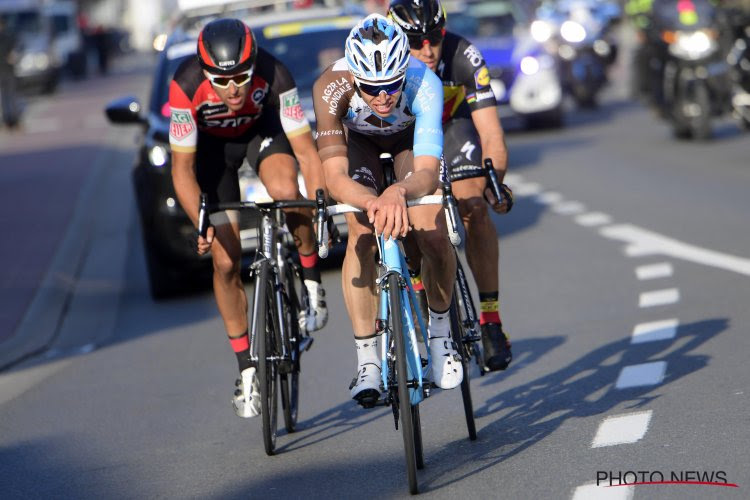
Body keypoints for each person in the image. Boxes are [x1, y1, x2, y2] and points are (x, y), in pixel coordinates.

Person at [169, 18, 328, 418]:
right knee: (224, 261)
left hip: (264, 134)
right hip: (210, 153)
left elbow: (307, 153)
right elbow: (182, 171)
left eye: (241, 77)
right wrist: (201, 222)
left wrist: (320, 202)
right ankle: (247, 369)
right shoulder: (186, 84)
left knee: (287, 193)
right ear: (205, 73)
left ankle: (310, 281)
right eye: (221, 81)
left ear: (253, 64)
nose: (233, 89)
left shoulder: (275, 74)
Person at [312, 14, 460, 407]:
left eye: (391, 86)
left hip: (410, 142)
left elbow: (427, 173)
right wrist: (371, 201)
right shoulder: (330, 86)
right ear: (354, 77)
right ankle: (368, 362)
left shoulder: (423, 83)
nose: (383, 97)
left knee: (429, 228)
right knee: (361, 235)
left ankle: (442, 335)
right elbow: (335, 175)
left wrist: (397, 190)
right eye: (372, 88)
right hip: (358, 143)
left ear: (403, 72)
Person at [388, 0, 513, 372]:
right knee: (413, 223)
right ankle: (425, 296)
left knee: (474, 206)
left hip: (453, 128)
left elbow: (491, 133)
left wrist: (496, 182)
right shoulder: (387, 66)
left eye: (434, 37)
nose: (427, 49)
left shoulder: (464, 55)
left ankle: (491, 323)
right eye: (415, 41)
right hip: (408, 137)